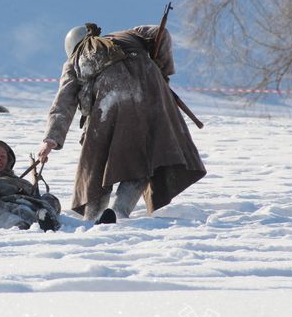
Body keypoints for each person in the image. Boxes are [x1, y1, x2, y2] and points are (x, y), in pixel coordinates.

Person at [37, 22, 206, 224]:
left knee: (96, 162)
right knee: (145, 156)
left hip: (110, 101)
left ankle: (94, 216)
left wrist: (51, 139)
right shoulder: (128, 35)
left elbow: (64, 100)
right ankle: (119, 211)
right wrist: (162, 70)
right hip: (152, 94)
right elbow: (161, 33)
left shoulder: (75, 60)